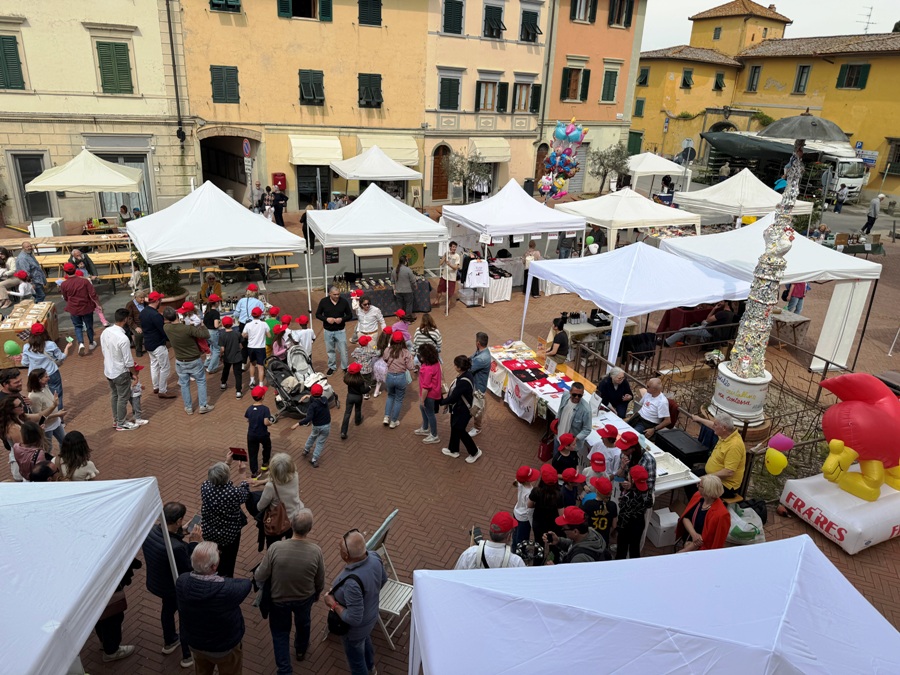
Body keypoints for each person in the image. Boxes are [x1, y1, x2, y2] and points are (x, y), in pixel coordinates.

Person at [254, 509, 324, 671]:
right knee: (303, 623)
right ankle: (300, 649)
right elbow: (320, 579)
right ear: (310, 529)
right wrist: (317, 593)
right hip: (304, 598)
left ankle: (284, 669)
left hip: (279, 599)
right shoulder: (316, 551)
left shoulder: (275, 548)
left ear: (291, 525)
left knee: (280, 633)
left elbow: (260, 574)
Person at [176, 541, 252, 675]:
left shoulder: (182, 582)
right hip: (224, 647)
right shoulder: (227, 589)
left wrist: (193, 545)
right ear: (214, 566)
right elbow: (246, 584)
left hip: (196, 644)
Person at [142, 501, 202, 669]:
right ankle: (187, 655)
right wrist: (194, 544)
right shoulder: (177, 548)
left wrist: (181, 532)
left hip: (159, 583)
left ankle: (169, 641)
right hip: (174, 587)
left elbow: (167, 539)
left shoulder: (150, 531)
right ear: (178, 521)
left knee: (167, 610)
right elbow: (190, 567)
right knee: (185, 618)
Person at [323, 530, 387, 675]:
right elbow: (383, 580)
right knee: (364, 641)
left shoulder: (352, 584)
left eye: (340, 548)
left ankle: (368, 670)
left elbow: (354, 618)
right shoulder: (374, 557)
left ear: (346, 555)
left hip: (355, 630)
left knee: (357, 662)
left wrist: (333, 604)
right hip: (371, 617)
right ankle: (371, 668)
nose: (339, 549)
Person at [200, 455, 250, 577]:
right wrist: (242, 474)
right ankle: (226, 579)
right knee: (229, 559)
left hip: (209, 532)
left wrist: (227, 463)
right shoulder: (234, 493)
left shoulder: (205, 487)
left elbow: (216, 478)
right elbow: (245, 493)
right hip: (229, 535)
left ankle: (211, 573)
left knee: (211, 557)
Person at [164, 306, 214, 415]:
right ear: (177, 315)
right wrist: (202, 325)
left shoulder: (166, 328)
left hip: (180, 360)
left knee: (184, 384)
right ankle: (203, 405)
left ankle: (188, 407)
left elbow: (175, 326)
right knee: (201, 381)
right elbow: (206, 335)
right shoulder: (187, 329)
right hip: (194, 359)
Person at [688, 412, 746, 499]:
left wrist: (707, 477)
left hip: (725, 485)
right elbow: (711, 425)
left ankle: (699, 505)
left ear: (724, 428)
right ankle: (695, 503)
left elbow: (729, 472)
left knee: (696, 485)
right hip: (712, 476)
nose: (713, 426)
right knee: (689, 478)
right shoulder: (725, 434)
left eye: (716, 425)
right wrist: (698, 419)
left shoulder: (734, 445)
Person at [437, 355, 482, 463]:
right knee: (454, 427)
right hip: (459, 408)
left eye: (455, 365)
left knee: (460, 430)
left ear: (459, 367)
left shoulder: (463, 381)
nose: (454, 366)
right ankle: (453, 450)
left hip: (463, 410)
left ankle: (475, 452)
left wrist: (441, 401)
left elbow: (453, 397)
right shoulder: (467, 374)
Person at [94, 559, 142, 663]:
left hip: (97, 585)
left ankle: (104, 641)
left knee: (100, 613)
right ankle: (111, 651)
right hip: (108, 581)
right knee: (113, 615)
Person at [102, 308, 141, 431]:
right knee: (122, 398)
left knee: (115, 395)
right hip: (120, 372)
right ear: (125, 319)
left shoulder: (105, 332)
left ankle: (116, 420)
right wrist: (134, 374)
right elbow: (128, 361)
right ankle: (121, 423)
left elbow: (104, 350)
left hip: (109, 370)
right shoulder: (123, 338)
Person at [21, 321, 71, 409]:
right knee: (56, 395)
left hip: (35, 375)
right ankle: (59, 415)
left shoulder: (26, 347)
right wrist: (67, 347)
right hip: (51, 373)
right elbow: (61, 357)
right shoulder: (51, 345)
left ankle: (44, 414)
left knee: (37, 396)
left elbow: (24, 363)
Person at [257, 453, 305, 543]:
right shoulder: (295, 476)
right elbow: (282, 478)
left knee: (273, 545)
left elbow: (260, 506)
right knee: (290, 543)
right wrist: (263, 482)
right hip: (295, 517)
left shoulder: (270, 486)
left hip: (278, 522)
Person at [677, 474, 730, 552]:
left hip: (702, 548)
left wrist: (685, 550)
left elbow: (712, 540)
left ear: (707, 490)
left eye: (700, 486)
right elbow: (685, 517)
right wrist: (694, 534)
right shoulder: (698, 496)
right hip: (690, 537)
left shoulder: (721, 515)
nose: (697, 486)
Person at [454, 511, 526, 569]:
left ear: (490, 532)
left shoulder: (469, 554)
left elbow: (456, 577)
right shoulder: (516, 563)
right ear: (509, 536)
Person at [141, 291, 176, 399]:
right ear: (156, 301)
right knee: (165, 367)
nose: (161, 301)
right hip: (158, 345)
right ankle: (162, 390)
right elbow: (163, 331)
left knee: (154, 365)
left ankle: (156, 386)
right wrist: (171, 340)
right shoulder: (156, 315)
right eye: (160, 300)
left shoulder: (143, 312)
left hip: (148, 343)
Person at [60, 262, 100, 356]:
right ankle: (91, 342)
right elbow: (93, 294)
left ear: (65, 272)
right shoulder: (84, 281)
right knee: (89, 325)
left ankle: (81, 343)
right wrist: (98, 304)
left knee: (78, 326)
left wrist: (70, 301)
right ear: (75, 270)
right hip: (86, 306)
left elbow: (65, 297)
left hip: (73, 308)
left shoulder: (64, 284)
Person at [543, 506, 608, 563]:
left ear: (575, 532)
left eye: (564, 529)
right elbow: (574, 544)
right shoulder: (591, 532)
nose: (563, 531)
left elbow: (570, 573)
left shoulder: (579, 559)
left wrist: (554, 569)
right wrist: (558, 541)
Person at [616, 466, 653, 559]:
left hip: (626, 525)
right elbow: (649, 504)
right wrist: (631, 487)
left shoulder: (628, 496)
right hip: (639, 522)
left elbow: (622, 506)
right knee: (635, 549)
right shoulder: (647, 490)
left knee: (621, 550)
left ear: (632, 480)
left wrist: (626, 490)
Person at [291, 383, 331, 468]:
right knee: (320, 443)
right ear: (322, 392)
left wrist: (298, 424)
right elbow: (316, 398)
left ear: (312, 393)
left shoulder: (312, 406)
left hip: (317, 426)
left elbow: (308, 418)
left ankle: (306, 449)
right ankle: (314, 459)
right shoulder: (325, 399)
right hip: (326, 425)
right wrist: (307, 396)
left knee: (312, 436)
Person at [316, 285, 353, 375]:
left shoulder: (344, 302)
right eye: (335, 294)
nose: (337, 296)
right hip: (328, 331)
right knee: (330, 350)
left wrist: (342, 319)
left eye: (338, 294)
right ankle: (332, 367)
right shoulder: (323, 302)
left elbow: (349, 315)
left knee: (343, 350)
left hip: (340, 330)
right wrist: (326, 319)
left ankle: (345, 367)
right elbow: (318, 314)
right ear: (330, 294)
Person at [664, 301, 736, 347]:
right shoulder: (731, 313)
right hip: (714, 330)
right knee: (703, 322)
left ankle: (667, 342)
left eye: (722, 301)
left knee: (683, 330)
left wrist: (714, 309)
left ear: (726, 303)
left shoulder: (722, 313)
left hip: (709, 330)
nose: (719, 302)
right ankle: (699, 339)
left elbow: (708, 319)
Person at [527, 464, 564, 553]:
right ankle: (552, 558)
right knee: (553, 544)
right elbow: (561, 514)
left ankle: (538, 559)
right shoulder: (559, 495)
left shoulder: (536, 491)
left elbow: (529, 505)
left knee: (538, 544)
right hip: (553, 524)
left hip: (538, 522)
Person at [26, 369, 65, 451]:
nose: (49, 378)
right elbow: (39, 418)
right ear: (39, 380)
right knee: (48, 448)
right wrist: (57, 414)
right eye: (46, 376)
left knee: (64, 441)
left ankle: (64, 456)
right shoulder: (34, 397)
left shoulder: (45, 387)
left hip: (56, 422)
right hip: (46, 427)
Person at [382, 331, 413, 429]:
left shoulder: (388, 350)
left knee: (390, 396)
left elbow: (385, 359)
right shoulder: (406, 352)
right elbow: (410, 367)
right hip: (400, 377)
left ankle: (386, 417)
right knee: (398, 399)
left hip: (390, 376)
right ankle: (393, 421)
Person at [414, 343, 442, 444]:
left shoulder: (427, 369)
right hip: (434, 391)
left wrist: (422, 399)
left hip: (429, 395)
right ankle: (425, 428)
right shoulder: (435, 362)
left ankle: (434, 435)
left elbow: (426, 387)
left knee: (430, 413)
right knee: (423, 408)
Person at [245, 385, 273, 478]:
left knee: (252, 453)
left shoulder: (249, 408)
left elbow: (248, 419)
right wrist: (270, 423)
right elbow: (266, 422)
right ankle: (265, 463)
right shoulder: (265, 409)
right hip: (262, 434)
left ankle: (254, 472)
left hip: (251, 435)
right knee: (267, 447)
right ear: (263, 397)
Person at [582, 476, 617, 547]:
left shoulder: (588, 504)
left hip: (590, 538)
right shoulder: (613, 505)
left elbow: (583, 522)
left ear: (597, 490)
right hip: (604, 539)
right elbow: (614, 525)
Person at [241, 305, 270, 389]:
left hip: (251, 347)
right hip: (260, 347)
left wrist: (249, 336)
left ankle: (252, 381)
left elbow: (243, 335)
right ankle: (261, 384)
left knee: (252, 364)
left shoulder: (248, 324)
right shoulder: (264, 324)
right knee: (261, 366)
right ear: (260, 315)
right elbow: (269, 335)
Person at [468, 332, 490, 437]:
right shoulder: (480, 352)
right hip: (476, 384)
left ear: (478, 343)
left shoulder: (482, 358)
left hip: (479, 387)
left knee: (478, 407)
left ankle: (477, 428)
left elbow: (470, 368)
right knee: (475, 405)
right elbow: (471, 358)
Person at [341, 363, 369, 440]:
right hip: (358, 397)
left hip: (350, 396)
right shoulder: (360, 380)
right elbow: (363, 391)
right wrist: (368, 388)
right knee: (358, 409)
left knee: (347, 413)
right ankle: (357, 421)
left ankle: (343, 431)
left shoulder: (347, 379)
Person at [512, 466, 539, 547]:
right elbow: (529, 509)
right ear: (527, 480)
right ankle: (520, 551)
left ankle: (514, 547)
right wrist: (532, 523)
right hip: (524, 518)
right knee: (522, 538)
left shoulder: (520, 483)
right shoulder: (530, 492)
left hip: (516, 512)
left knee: (516, 533)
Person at [219, 315, 244, 397]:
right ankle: (238, 391)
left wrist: (221, 355)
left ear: (223, 325)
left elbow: (222, 349)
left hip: (227, 356)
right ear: (232, 323)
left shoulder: (222, 335)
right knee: (238, 374)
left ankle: (223, 383)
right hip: (237, 356)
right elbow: (241, 345)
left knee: (226, 369)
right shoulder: (237, 334)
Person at [434, 241, 461, 309]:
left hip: (452, 278)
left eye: (455, 247)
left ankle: (447, 305)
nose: (454, 248)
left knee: (450, 293)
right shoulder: (447, 253)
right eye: (453, 247)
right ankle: (437, 300)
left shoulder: (457, 256)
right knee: (439, 289)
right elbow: (440, 263)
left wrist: (449, 264)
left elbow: (456, 267)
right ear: (450, 247)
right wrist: (444, 257)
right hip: (444, 276)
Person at [391, 255, 417, 319]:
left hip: (398, 291)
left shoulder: (394, 270)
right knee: (408, 305)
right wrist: (415, 286)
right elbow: (413, 280)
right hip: (408, 291)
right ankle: (408, 318)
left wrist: (394, 289)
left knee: (400, 305)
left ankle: (400, 318)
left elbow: (392, 282)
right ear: (405, 261)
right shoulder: (408, 270)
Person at [204, 293, 223, 373]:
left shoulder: (207, 311)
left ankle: (207, 363)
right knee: (217, 350)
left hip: (207, 332)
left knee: (212, 348)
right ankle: (211, 368)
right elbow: (216, 325)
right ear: (216, 303)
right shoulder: (215, 313)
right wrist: (221, 323)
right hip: (213, 332)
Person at [125, 288, 146, 357]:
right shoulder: (130, 305)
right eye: (141, 298)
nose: (143, 299)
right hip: (135, 324)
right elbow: (129, 318)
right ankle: (138, 350)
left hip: (145, 323)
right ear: (136, 297)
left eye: (143, 297)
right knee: (138, 335)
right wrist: (136, 327)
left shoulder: (145, 304)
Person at [371, 327, 391, 398]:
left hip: (377, 365)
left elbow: (376, 354)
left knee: (379, 381)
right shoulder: (389, 345)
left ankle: (375, 393)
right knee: (388, 379)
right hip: (385, 365)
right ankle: (390, 391)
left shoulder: (379, 343)